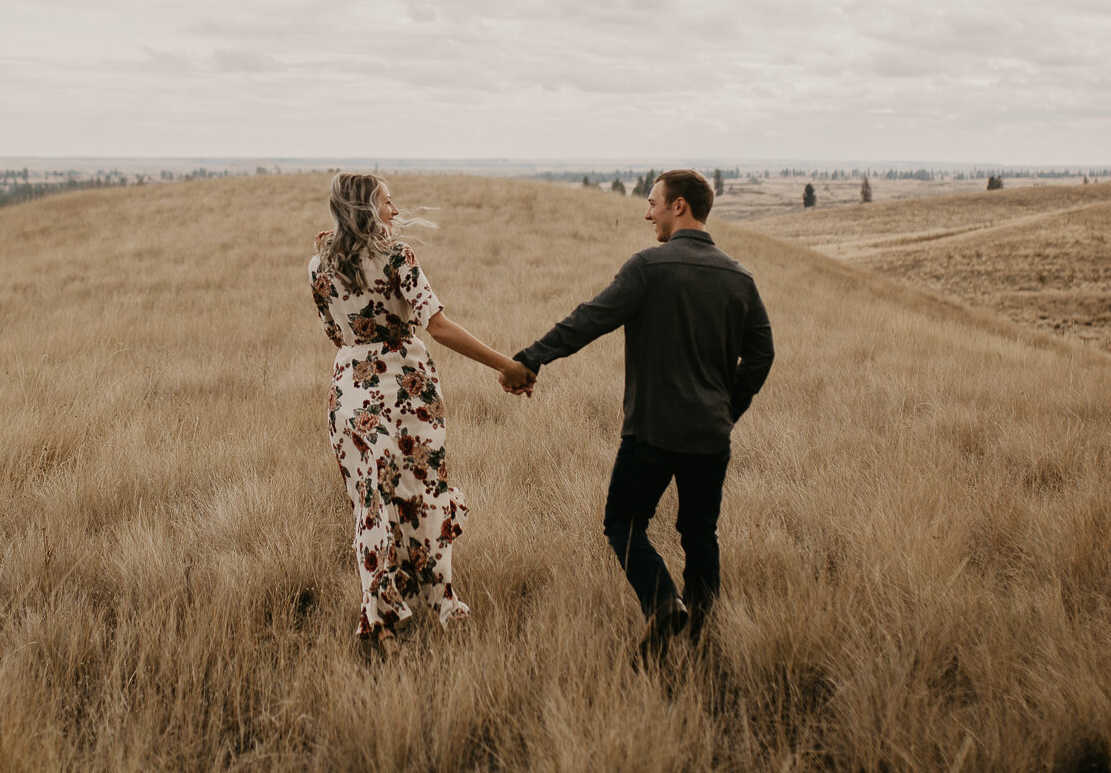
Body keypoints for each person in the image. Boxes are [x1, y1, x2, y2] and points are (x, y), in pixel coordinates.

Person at [510, 169, 774, 656]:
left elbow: (589, 319)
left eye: (653, 202)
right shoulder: (740, 278)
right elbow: (762, 355)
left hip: (651, 431)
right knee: (699, 533)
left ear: (679, 206)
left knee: (622, 521)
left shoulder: (649, 268)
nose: (646, 210)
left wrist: (529, 358)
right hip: (710, 437)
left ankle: (662, 601)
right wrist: (725, 409)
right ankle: (702, 639)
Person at [308, 173, 534, 653]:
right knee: (421, 495)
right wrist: (507, 365)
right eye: (388, 202)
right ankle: (442, 602)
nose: (395, 210)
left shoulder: (317, 267)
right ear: (368, 208)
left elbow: (337, 333)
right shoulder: (398, 258)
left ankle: (383, 616)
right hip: (404, 389)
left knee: (371, 504)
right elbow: (440, 328)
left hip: (348, 393)